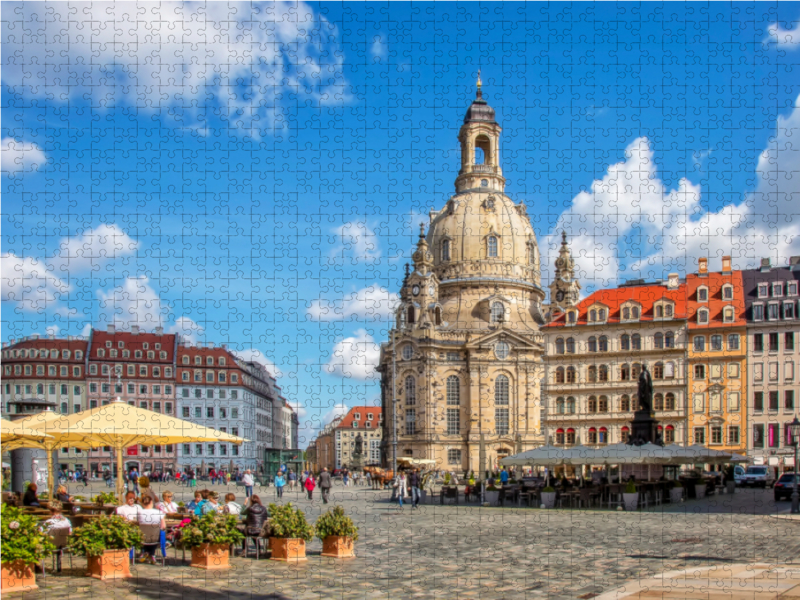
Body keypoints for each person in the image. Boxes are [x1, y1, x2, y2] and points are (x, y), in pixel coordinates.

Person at [137, 496, 165, 564]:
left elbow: (138, 524)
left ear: (142, 504)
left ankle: (145, 552)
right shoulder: (159, 512)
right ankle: (151, 554)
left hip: (143, 538)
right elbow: (163, 526)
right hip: (155, 538)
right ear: (151, 502)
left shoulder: (139, 512)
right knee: (157, 534)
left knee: (145, 535)